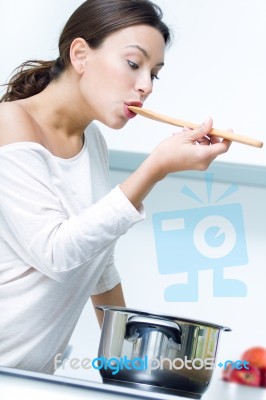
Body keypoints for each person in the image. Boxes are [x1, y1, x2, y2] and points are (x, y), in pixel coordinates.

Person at [0, 0, 231, 374]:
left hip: (27, 379)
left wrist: (127, 365)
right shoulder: (10, 122)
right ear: (80, 55)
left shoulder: (92, 142)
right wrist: (154, 169)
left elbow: (98, 263)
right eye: (133, 64)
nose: (146, 86)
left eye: (154, 73)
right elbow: (56, 253)